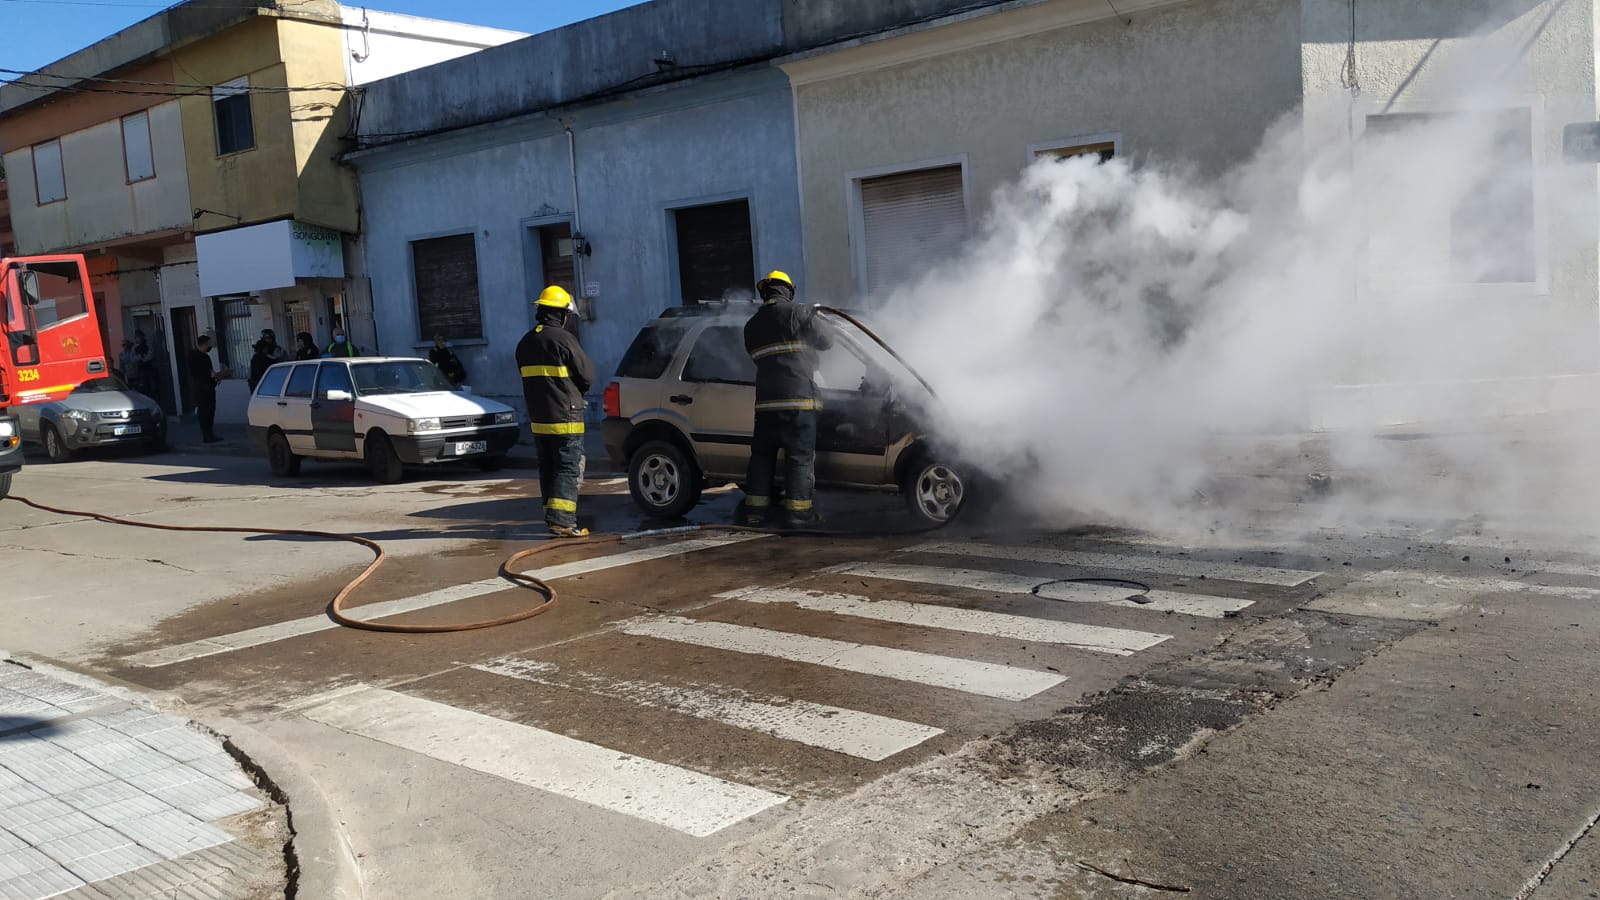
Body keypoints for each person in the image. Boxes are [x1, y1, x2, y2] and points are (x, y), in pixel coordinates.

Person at [735, 270, 833, 528]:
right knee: (799, 458)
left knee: (761, 458)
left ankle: (755, 513)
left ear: (765, 292)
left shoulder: (751, 326)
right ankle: (799, 514)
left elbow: (758, 360)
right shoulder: (799, 313)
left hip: (766, 404)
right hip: (799, 402)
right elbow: (828, 341)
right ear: (788, 290)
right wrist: (816, 318)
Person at [515, 285, 596, 538]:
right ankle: (563, 522)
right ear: (560, 314)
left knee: (548, 468)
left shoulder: (525, 342)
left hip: (540, 419)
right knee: (568, 468)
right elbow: (587, 375)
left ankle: (552, 518)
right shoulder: (563, 339)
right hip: (566, 416)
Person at [187, 335, 230, 443]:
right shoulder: (193, 356)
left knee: (211, 410)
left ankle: (210, 433)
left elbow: (210, 372)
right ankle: (206, 435)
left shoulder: (206, 357)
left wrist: (217, 376)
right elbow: (195, 373)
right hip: (201, 389)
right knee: (204, 411)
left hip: (210, 387)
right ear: (203, 344)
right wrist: (206, 379)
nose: (210, 346)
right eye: (208, 344)